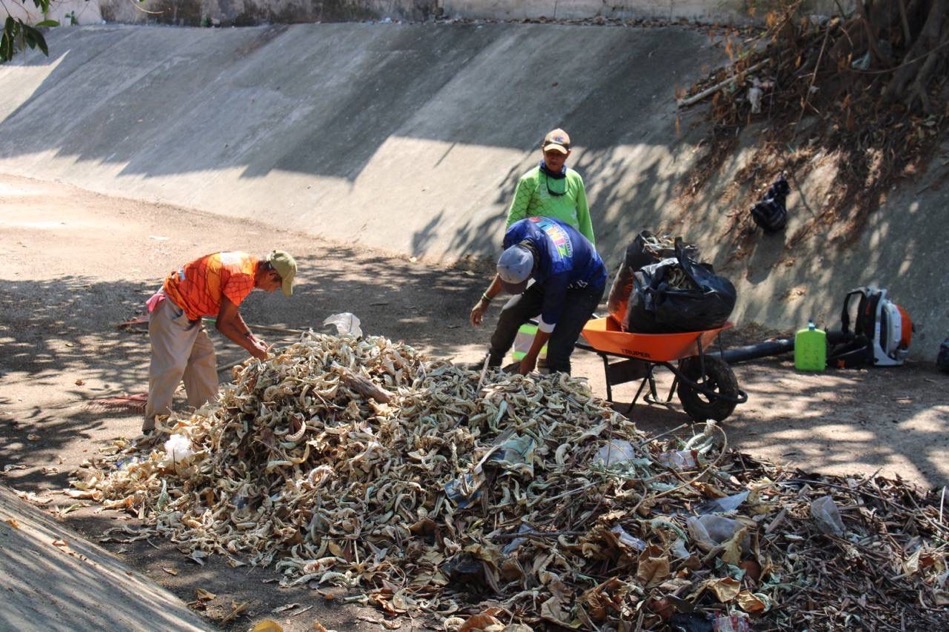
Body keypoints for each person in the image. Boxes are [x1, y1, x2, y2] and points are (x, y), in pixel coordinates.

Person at [142, 250, 297, 434]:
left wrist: (251, 337)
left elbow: (230, 308)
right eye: (276, 286)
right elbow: (223, 324)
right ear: (271, 275)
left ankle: (207, 420)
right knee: (172, 366)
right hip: (172, 308)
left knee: (203, 360)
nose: (272, 291)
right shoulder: (243, 276)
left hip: (190, 311)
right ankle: (154, 428)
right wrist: (252, 349)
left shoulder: (248, 263)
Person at [470, 217, 607, 375]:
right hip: (549, 271)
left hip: (586, 285)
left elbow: (548, 321)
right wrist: (485, 300)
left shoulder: (557, 267)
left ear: (531, 271)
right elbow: (506, 268)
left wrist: (531, 357)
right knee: (511, 312)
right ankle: (491, 363)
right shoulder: (516, 232)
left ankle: (560, 388)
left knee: (558, 346)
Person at [505, 128, 595, 245]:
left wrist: (591, 249)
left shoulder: (575, 179)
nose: (554, 158)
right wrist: (510, 244)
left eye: (559, 154)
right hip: (540, 246)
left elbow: (584, 219)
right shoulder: (529, 180)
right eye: (550, 153)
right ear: (543, 151)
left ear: (568, 154)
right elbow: (515, 217)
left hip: (571, 246)